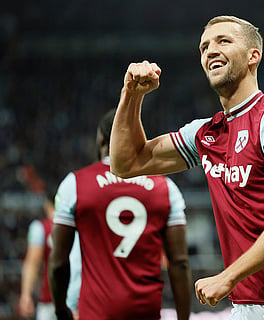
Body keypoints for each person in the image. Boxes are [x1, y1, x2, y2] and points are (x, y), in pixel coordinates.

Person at [110, 15, 264, 319]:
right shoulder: (206, 134)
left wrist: (228, 276)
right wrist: (131, 95)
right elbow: (127, 163)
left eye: (223, 41)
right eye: (204, 47)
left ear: (254, 56)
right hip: (244, 306)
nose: (210, 50)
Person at [48, 109, 192, 320]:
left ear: (101, 140)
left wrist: (61, 310)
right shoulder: (166, 188)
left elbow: (58, 261)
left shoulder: (75, 185)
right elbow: (179, 263)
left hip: (95, 314)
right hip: (146, 313)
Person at [19, 197, 56, 320]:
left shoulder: (41, 228)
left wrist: (26, 295)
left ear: (47, 205)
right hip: (80, 301)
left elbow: (32, 262)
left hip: (50, 301)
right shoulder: (80, 226)